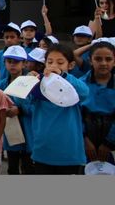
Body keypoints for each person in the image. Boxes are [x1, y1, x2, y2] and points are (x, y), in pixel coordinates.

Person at [23, 44, 89, 175]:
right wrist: (27, 83)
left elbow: (85, 92)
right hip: (43, 151)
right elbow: (24, 103)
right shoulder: (39, 83)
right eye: (50, 62)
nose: (54, 66)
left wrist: (63, 76)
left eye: (60, 62)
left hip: (69, 154)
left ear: (70, 65)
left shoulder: (73, 84)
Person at [0, 46, 32, 174]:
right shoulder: (1, 85)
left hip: (29, 130)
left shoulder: (32, 83)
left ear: (24, 64)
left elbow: (36, 108)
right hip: (11, 132)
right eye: (9, 61)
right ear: (4, 63)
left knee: (28, 168)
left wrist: (20, 110)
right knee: (12, 167)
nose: (12, 65)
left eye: (16, 62)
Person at [80, 41, 115, 164]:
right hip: (86, 137)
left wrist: (109, 143)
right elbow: (76, 115)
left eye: (108, 59)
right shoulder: (80, 84)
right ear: (90, 60)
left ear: (114, 61)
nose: (103, 63)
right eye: (98, 59)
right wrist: (84, 139)